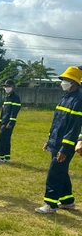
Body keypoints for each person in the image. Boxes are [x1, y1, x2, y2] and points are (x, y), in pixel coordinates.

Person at [35, 66, 82, 214]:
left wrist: (65, 149)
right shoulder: (65, 97)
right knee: (61, 170)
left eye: (66, 80)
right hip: (55, 142)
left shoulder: (78, 101)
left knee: (55, 173)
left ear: (74, 82)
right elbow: (57, 122)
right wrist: (49, 140)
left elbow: (73, 128)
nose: (63, 82)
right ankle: (67, 200)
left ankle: (51, 204)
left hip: (64, 146)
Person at [0, 79, 21, 164]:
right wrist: (0, 121)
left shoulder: (15, 97)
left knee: (0, 139)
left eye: (8, 86)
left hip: (9, 123)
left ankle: (0, 157)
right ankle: (6, 157)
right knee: (6, 139)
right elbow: (3, 111)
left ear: (13, 87)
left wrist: (11, 122)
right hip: (4, 122)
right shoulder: (6, 97)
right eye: (5, 86)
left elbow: (14, 111)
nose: (6, 88)